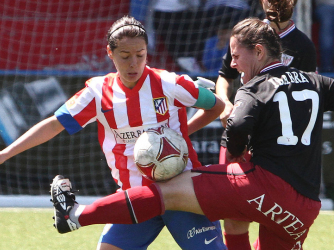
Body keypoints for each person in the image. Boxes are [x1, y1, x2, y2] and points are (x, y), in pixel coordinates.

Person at [50, 17, 334, 250]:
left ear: (260, 53)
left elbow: (236, 124)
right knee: (235, 221)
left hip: (262, 186)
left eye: (236, 55)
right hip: (304, 207)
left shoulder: (256, 87)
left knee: (169, 187)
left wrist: (232, 157)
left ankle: (75, 215)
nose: (233, 64)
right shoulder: (315, 81)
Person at [0, 16, 226, 250]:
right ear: (110, 52)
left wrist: (180, 136)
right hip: (135, 196)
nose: (133, 64)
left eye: (140, 55)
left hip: (183, 191)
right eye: (125, 56)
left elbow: (216, 106)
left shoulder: (169, 83)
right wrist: (5, 154)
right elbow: (54, 124)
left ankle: (75, 215)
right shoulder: (97, 92)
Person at [216, 1, 318, 247]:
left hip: (276, 143)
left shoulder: (303, 45)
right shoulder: (245, 34)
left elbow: (309, 93)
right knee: (233, 214)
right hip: (241, 130)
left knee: (276, 214)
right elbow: (224, 77)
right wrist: (225, 104)